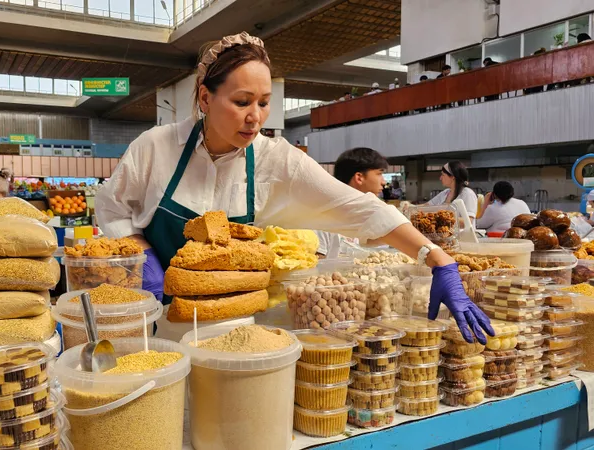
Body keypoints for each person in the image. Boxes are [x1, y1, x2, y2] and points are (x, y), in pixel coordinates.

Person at [97, 31, 494, 343]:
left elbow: (362, 208)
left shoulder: (276, 161)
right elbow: (114, 209)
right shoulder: (155, 147)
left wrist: (436, 257)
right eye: (242, 101)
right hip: (158, 327)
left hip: (235, 329)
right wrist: (144, 263)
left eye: (265, 103)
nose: (255, 117)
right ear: (205, 96)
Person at [428, 161, 478, 227]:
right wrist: (410, 206)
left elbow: (468, 221)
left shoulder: (468, 194)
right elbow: (426, 206)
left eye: (443, 175)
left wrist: (442, 218)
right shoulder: (445, 193)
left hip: (462, 236)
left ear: (452, 177)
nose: (440, 178)